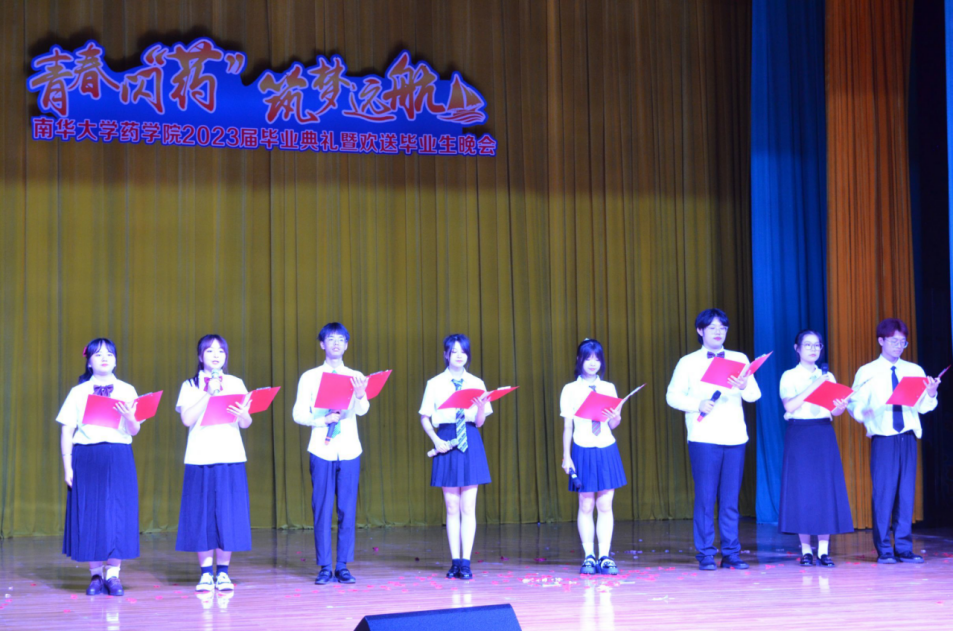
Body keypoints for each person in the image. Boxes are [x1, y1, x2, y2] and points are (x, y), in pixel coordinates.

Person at [666, 308, 761, 570]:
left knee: (730, 500)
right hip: (704, 436)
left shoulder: (739, 358)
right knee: (706, 498)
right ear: (701, 331)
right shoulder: (688, 362)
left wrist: (744, 385)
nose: (718, 332)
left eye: (722, 328)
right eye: (712, 328)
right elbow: (672, 396)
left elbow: (754, 396)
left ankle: (731, 553)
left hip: (735, 437)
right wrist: (697, 404)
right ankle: (706, 553)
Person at [848, 318, 940, 564]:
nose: (899, 346)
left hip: (908, 436)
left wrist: (931, 393)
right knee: (884, 494)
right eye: (894, 341)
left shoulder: (914, 370)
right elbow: (854, 402)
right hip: (884, 438)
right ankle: (884, 549)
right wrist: (863, 413)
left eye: (903, 342)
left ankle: (904, 548)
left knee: (906, 494)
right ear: (881, 341)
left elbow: (923, 407)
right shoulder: (867, 371)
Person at [58, 338, 142, 596]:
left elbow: (134, 430)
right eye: (98, 354)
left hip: (118, 455)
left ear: (115, 360)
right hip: (87, 456)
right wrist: (67, 466)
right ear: (89, 362)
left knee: (118, 512)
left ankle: (113, 575)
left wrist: (130, 417)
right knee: (90, 513)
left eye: (109, 354)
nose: (104, 358)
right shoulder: (78, 392)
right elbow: (67, 430)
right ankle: (95, 575)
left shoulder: (127, 390)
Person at [292, 322, 369, 585]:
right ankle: (325, 566)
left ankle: (343, 565)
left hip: (349, 449)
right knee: (322, 509)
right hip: (321, 448)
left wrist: (360, 395)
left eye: (341, 339)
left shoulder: (355, 375)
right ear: (322, 344)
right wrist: (321, 420)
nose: (336, 343)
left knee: (347, 509)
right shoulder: (310, 377)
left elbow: (362, 411)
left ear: (346, 345)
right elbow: (298, 414)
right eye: (331, 339)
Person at [175, 334, 253, 592]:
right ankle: (206, 573)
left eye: (221, 350)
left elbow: (246, 423)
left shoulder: (236, 383)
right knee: (202, 516)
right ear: (200, 356)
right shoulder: (190, 385)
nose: (216, 355)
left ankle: (224, 573)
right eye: (209, 350)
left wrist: (244, 415)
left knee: (228, 515)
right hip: (200, 457)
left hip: (230, 456)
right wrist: (207, 393)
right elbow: (187, 419)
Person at [419, 334, 492, 580]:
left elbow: (480, 422)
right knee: (452, 507)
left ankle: (466, 562)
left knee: (468, 507)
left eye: (463, 351)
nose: (459, 355)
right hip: (446, 438)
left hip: (470, 439)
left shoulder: (477, 382)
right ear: (446, 354)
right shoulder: (435, 383)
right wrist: (435, 440)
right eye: (454, 351)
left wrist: (480, 408)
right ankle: (455, 561)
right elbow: (425, 416)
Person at [777, 330, 853, 567]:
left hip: (823, 433)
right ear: (797, 348)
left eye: (817, 345)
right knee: (802, 491)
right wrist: (816, 385)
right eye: (808, 345)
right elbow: (790, 405)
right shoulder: (789, 376)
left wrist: (841, 406)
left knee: (824, 490)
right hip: (800, 434)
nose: (813, 349)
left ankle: (823, 550)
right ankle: (806, 550)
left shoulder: (828, 376)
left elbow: (834, 411)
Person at [560, 339, 627, 576]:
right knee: (586, 503)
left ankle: (605, 556)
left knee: (606, 504)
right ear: (579, 360)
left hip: (606, 447)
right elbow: (568, 426)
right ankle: (589, 556)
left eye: (597, 359)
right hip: (583, 447)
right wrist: (566, 456)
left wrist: (616, 417)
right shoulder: (570, 389)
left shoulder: (608, 388)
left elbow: (613, 424)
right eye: (588, 358)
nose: (592, 363)